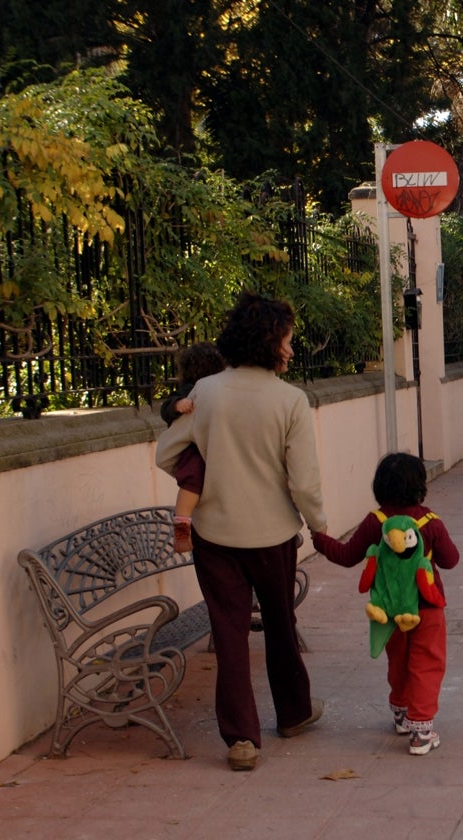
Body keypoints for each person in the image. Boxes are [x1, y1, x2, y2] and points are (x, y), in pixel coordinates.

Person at [155, 291, 328, 771]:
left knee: (229, 634)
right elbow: (304, 479)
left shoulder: (206, 391)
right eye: (289, 342)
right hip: (272, 536)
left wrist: (203, 475)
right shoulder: (291, 400)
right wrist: (320, 526)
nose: (292, 351)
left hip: (214, 536)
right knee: (280, 626)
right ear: (270, 342)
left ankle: (241, 741)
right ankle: (293, 713)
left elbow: (166, 453)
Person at [313, 452, 459, 756]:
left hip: (389, 612)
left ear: (379, 486)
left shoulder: (376, 522)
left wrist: (320, 539)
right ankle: (421, 731)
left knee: (400, 660)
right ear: (420, 485)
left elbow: (346, 556)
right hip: (427, 608)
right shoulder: (430, 522)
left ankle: (402, 712)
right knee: (426, 663)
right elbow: (451, 560)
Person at [159, 342, 225, 553]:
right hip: (193, 449)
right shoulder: (190, 390)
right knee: (192, 480)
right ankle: (182, 525)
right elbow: (166, 407)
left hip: (213, 447)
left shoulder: (221, 390)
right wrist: (178, 405)